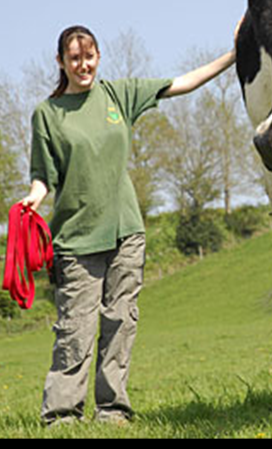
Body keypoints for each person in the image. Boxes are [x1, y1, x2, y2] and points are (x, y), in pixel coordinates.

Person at [21, 25, 235, 426]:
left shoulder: (118, 95)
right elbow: (42, 175)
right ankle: (62, 414)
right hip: (76, 239)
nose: (83, 65)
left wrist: (234, 54)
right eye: (74, 58)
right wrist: (33, 198)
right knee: (75, 329)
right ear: (61, 62)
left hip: (125, 231)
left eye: (89, 57)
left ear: (98, 57)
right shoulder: (47, 114)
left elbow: (183, 83)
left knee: (121, 322)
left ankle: (112, 409)